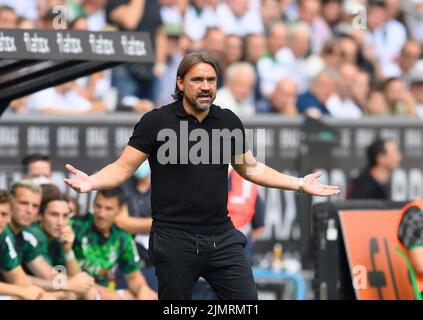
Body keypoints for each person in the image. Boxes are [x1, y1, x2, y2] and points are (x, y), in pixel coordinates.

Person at [64, 51, 340, 300]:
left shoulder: (228, 121)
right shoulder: (156, 122)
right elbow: (123, 167)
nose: (206, 86)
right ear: (181, 83)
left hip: (220, 234)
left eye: (211, 80)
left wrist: (301, 184)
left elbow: (251, 168)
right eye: (197, 80)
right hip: (173, 237)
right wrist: (92, 181)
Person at [70, 188, 157, 300]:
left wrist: (142, 289)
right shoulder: (75, 225)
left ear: (120, 210)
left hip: (102, 293)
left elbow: (133, 277)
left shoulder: (122, 238)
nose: (101, 213)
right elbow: (59, 270)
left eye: (108, 208)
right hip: (72, 289)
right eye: (98, 206)